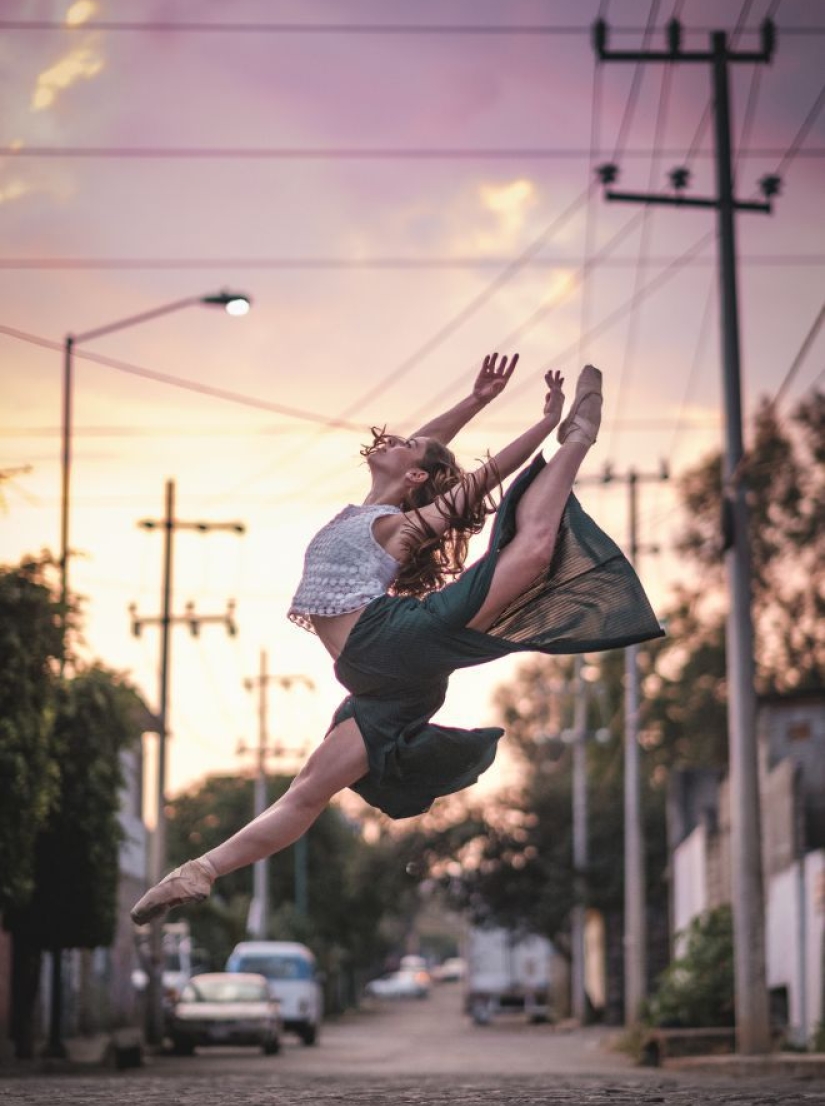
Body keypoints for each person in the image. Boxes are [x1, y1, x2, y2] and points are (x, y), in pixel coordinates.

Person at [131, 355, 663, 926]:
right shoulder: (368, 510)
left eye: (408, 445)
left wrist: (544, 427)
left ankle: (577, 437)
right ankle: (198, 872)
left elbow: (477, 481)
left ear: (413, 477)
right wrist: (477, 399)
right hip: (380, 682)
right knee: (307, 790)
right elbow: (430, 447)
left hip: (396, 642)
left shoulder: (398, 527)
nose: (401, 437)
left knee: (530, 553)